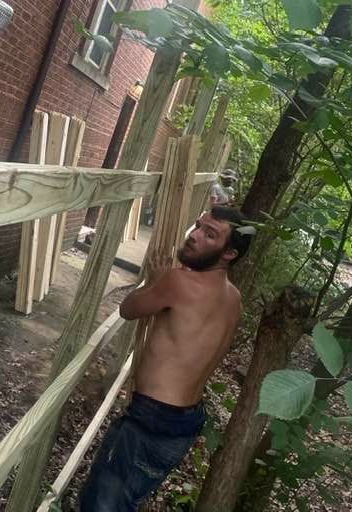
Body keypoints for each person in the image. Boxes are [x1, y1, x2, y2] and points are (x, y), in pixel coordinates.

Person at [78, 206, 253, 512]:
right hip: (186, 421)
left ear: (229, 254)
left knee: (102, 504)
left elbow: (128, 309)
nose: (194, 235)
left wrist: (156, 280)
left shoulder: (178, 282)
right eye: (198, 226)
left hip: (152, 418)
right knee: (125, 501)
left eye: (209, 234)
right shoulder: (234, 298)